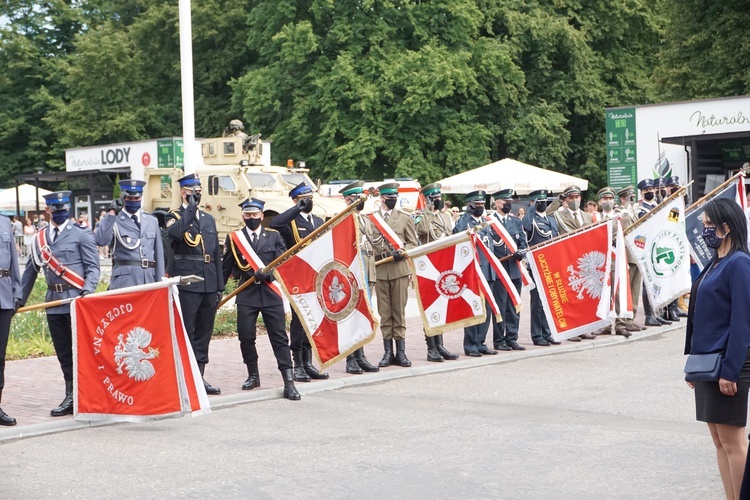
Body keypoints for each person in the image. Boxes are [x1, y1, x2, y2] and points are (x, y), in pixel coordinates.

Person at [684, 198, 750, 500]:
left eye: (710, 225)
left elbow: (741, 323)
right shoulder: (715, 262)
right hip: (707, 362)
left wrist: (730, 370)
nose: (705, 231)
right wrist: (693, 364)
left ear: (728, 226)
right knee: (719, 441)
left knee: (733, 442)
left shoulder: (739, 263)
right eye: (704, 225)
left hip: (727, 363)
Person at [20, 191, 100, 416]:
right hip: (54, 303)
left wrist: (88, 290)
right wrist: (19, 300)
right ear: (49, 211)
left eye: (64, 209)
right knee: (64, 353)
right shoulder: (40, 238)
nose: (61, 212)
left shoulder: (81, 234)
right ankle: (70, 394)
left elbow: (93, 267)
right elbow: (30, 272)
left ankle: (83, 395)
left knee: (81, 352)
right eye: (56, 210)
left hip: (76, 301)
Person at [222, 198, 300, 400]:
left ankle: (288, 382)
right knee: (246, 336)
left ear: (262, 216)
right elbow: (226, 266)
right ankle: (253, 375)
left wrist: (270, 274)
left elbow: (283, 262)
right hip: (247, 294)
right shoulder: (234, 238)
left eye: (255, 215)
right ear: (243, 216)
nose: (251, 218)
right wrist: (218, 292)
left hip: (270, 292)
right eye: (247, 215)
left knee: (279, 338)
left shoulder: (273, 236)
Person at [165, 174, 224, 396]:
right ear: (183, 192)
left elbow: (216, 254)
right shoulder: (173, 216)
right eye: (192, 191)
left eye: (199, 191)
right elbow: (175, 234)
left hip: (208, 282)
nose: (196, 195)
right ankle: (184, 377)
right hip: (189, 282)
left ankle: (199, 377)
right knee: (187, 331)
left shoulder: (208, 219)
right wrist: (189, 210)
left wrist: (219, 286)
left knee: (204, 332)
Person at [269, 182, 329, 382]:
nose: (309, 201)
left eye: (311, 197)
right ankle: (298, 364)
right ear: (296, 200)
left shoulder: (318, 221)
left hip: (316, 276)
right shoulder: (290, 222)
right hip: (297, 276)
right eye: (305, 198)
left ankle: (308, 361)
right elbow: (274, 223)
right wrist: (296, 209)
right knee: (299, 320)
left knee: (313, 319)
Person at [365, 182, 418, 367]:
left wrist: (402, 251)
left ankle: (401, 352)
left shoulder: (404, 218)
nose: (393, 201)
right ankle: (388, 352)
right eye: (389, 198)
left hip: (399, 269)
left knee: (399, 312)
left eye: (395, 198)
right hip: (380, 268)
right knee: (385, 313)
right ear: (381, 199)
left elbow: (413, 243)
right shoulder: (371, 219)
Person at [338, 181, 380, 374]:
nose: (362, 201)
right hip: (352, 276)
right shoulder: (342, 220)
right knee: (351, 318)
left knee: (364, 317)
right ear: (349, 200)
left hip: (367, 274)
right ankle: (350, 359)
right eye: (358, 198)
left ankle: (361, 356)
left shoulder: (364, 219)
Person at [415, 183, 459, 361]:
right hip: (429, 268)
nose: (438, 200)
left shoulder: (445, 217)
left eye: (439, 197)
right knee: (430, 307)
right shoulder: (421, 216)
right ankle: (431, 347)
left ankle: (440, 344)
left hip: (444, 266)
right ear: (428, 199)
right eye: (435, 198)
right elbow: (423, 231)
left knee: (441, 307)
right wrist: (427, 210)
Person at [94, 179, 164, 289]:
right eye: (129, 198)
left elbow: (159, 255)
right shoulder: (114, 219)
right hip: (125, 281)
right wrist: (112, 212)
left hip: (149, 280)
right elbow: (101, 240)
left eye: (137, 198)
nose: (133, 201)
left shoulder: (151, 221)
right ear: (122, 197)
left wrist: (161, 283)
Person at [454, 190, 498, 357]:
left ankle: (481, 342)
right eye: (477, 204)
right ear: (470, 205)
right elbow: (457, 237)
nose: (480, 207)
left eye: (482, 204)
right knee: (474, 307)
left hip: (488, 270)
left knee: (486, 309)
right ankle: (470, 344)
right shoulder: (464, 222)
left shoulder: (486, 222)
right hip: (473, 270)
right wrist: (466, 215)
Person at [548, 185, 595, 341]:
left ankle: (583, 327)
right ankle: (572, 330)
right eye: (571, 198)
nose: (575, 200)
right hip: (567, 260)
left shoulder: (587, 216)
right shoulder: (559, 215)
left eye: (577, 197)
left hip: (583, 262)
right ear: (566, 199)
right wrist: (558, 201)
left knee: (583, 296)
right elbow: (546, 214)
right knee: (569, 296)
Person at [489, 189, 527, 351]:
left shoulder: (515, 222)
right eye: (506, 202)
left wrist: (521, 252)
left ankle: (512, 337)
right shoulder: (489, 222)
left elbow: (523, 243)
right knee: (500, 306)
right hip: (499, 270)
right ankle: (499, 340)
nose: (509, 205)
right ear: (497, 202)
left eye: (510, 202)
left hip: (513, 269)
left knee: (514, 305)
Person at [522, 190, 561, 346]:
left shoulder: (551, 220)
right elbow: (525, 225)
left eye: (545, 201)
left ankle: (547, 332)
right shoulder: (531, 220)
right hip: (537, 265)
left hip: (550, 264)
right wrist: (532, 208)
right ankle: (537, 335)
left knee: (548, 301)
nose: (544, 204)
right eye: (540, 201)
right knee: (537, 303)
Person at [0, 214, 23, 425]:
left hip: (4, 295)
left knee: (0, 356)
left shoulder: (5, 222)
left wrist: (18, 291)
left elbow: (13, 260)